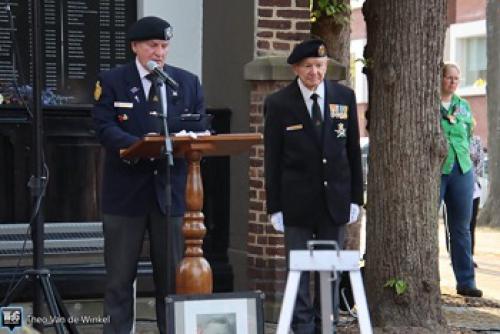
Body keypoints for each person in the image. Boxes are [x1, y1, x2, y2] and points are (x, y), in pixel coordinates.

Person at [92, 16, 207, 333]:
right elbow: (104, 127)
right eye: (152, 45)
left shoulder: (186, 82)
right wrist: (140, 146)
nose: (159, 52)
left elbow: (200, 129)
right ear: (135, 47)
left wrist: (182, 142)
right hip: (126, 194)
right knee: (118, 280)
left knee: (172, 280)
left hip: (169, 192)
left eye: (164, 46)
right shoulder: (113, 80)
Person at [264, 38, 363, 334]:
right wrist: (275, 207)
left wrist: (356, 198)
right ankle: (302, 326)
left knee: (329, 269)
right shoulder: (279, 103)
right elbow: (272, 159)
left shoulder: (343, 97)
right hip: (296, 201)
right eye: (308, 66)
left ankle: (326, 325)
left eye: (320, 66)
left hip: (335, 199)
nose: (315, 72)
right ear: (296, 68)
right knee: (299, 269)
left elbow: (353, 152)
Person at [439, 62, 482, 297]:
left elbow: (467, 134)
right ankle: (427, 278)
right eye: (448, 77)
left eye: (456, 78)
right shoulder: (429, 104)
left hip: (462, 169)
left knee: (461, 229)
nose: (453, 82)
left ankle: (466, 282)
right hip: (437, 170)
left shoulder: (463, 106)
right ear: (440, 78)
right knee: (425, 226)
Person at [469, 132, 484, 267]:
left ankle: (470, 256)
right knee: (458, 225)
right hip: (456, 186)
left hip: (473, 187)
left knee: (471, 224)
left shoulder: (476, 140)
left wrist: (472, 177)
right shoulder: (452, 137)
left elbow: (480, 162)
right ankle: (456, 256)